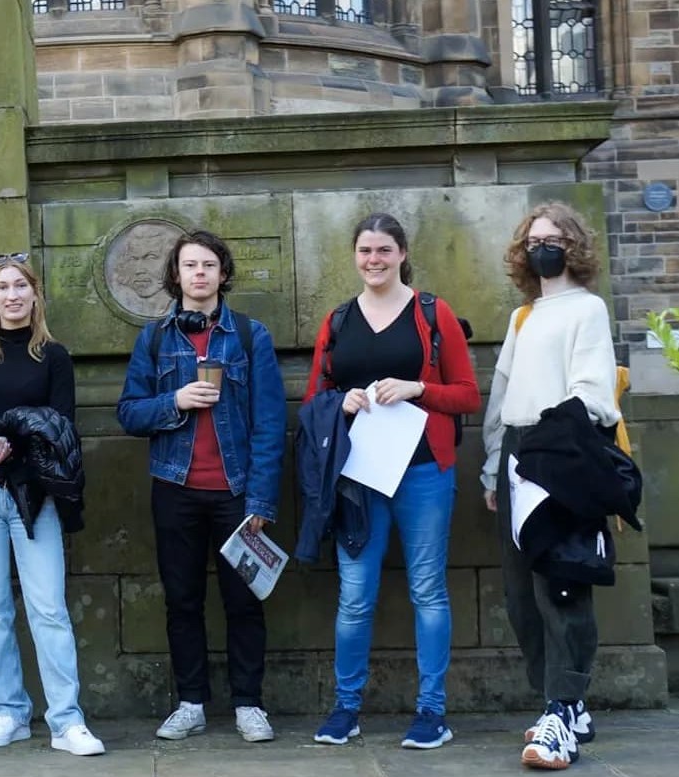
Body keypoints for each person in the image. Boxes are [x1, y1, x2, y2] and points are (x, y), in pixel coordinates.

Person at [302, 213, 479, 750]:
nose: (373, 260)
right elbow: (313, 400)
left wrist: (417, 388)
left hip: (424, 470)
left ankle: (432, 712)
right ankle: (346, 707)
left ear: (402, 253)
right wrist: (341, 402)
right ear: (354, 256)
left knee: (428, 590)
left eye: (383, 250)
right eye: (365, 251)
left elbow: (468, 394)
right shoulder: (337, 320)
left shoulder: (432, 312)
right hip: (359, 475)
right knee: (355, 594)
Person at [116, 231, 287, 744]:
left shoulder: (251, 336)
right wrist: (175, 401)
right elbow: (128, 412)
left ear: (222, 273)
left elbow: (270, 423)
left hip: (235, 490)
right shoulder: (154, 338)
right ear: (176, 274)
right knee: (182, 600)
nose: (199, 273)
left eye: (208, 265)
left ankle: (248, 704)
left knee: (244, 601)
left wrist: (260, 498)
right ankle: (190, 702)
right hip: (175, 488)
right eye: (190, 265)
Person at [0, 253, 105, 757]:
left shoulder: (53, 356)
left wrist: (14, 443)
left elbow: (61, 422)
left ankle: (66, 721)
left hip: (33, 490)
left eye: (20, 286)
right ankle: (10, 712)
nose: (12, 295)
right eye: (2, 287)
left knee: (48, 608)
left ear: (35, 294)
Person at [481, 202, 618, 770]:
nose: (542, 249)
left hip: (562, 449)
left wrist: (559, 439)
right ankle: (560, 702)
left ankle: (562, 708)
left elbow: (594, 392)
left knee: (561, 584)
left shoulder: (588, 309)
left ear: (573, 246)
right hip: (517, 453)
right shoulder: (523, 317)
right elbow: (501, 394)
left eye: (553, 240)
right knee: (521, 593)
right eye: (534, 240)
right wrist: (494, 464)